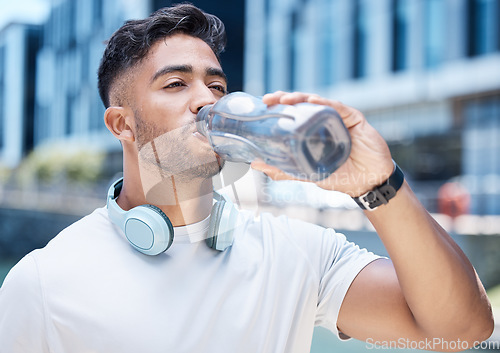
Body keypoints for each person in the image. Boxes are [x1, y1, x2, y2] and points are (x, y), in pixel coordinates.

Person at [0, 4, 494, 353]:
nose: (206, 100)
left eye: (216, 84)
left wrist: (378, 183)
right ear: (122, 124)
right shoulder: (43, 284)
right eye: (176, 84)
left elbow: (462, 331)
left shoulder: (298, 252)